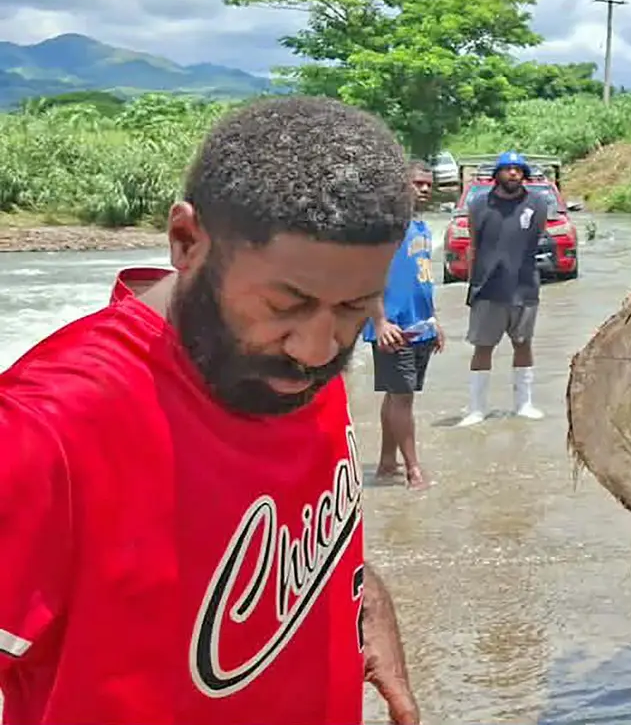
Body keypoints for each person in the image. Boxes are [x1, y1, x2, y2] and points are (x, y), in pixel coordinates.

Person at [0, 95, 418, 725]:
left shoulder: (284, 364)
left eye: (356, 307)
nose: (315, 347)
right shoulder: (46, 432)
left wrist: (361, 599)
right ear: (185, 240)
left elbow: (285, 520)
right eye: (286, 305)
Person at [363, 159, 441, 489]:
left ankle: (385, 463)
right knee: (402, 396)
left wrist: (435, 321)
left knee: (396, 396)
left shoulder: (421, 228)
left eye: (427, 184)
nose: (424, 189)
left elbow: (421, 279)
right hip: (393, 327)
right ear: (400, 185)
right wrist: (379, 321)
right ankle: (413, 470)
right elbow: (366, 275)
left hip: (420, 327)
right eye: (417, 183)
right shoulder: (385, 228)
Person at [460, 150, 550, 426]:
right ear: (496, 174)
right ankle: (477, 409)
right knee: (482, 347)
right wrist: (472, 284)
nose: (513, 173)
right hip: (487, 287)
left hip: (524, 287)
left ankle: (524, 404)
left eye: (518, 169)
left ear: (524, 175)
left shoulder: (538, 203)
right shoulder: (478, 204)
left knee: (523, 344)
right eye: (508, 169)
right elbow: (473, 246)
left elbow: (535, 241)